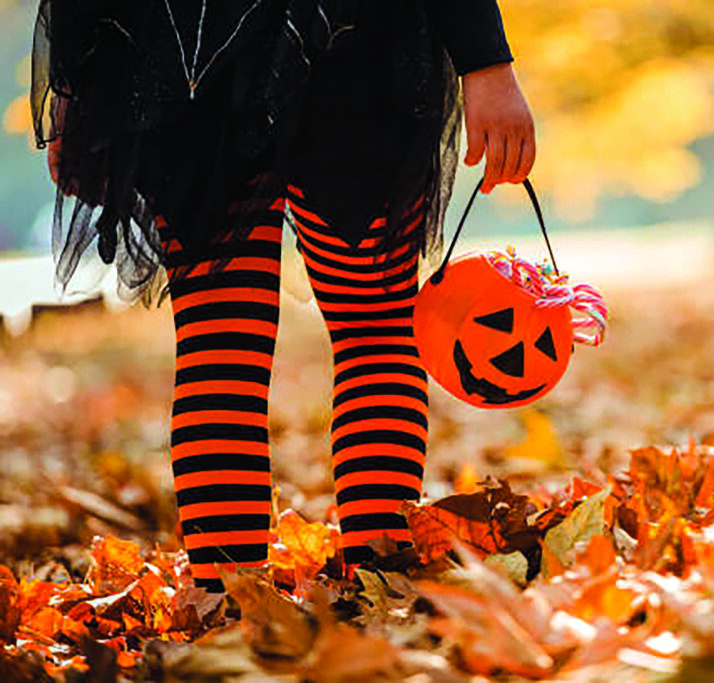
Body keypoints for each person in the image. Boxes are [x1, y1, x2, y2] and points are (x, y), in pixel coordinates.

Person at [32, 0, 535, 593]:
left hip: (233, 52)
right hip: (300, 50)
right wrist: (485, 58)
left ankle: (236, 597)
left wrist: (76, 78)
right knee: (356, 333)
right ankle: (358, 585)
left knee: (246, 340)